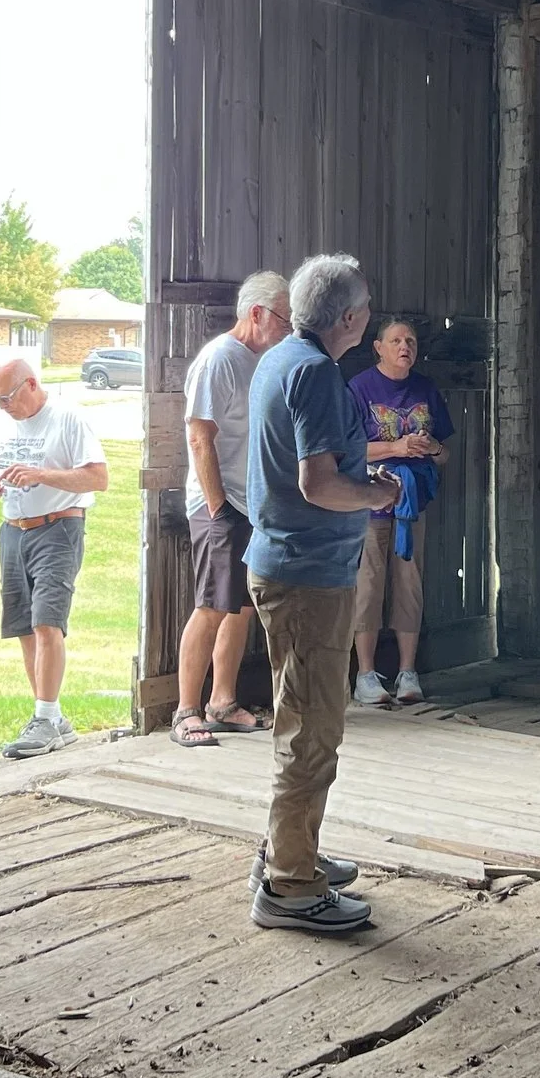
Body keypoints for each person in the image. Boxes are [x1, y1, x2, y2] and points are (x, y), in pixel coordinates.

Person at [245, 253, 405, 934]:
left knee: (299, 714)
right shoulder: (311, 372)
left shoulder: (284, 359)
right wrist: (377, 493)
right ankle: (291, 888)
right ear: (349, 318)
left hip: (293, 564)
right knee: (312, 728)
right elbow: (317, 483)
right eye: (366, 308)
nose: (369, 317)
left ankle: (291, 849)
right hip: (307, 573)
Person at [170, 270, 292, 749]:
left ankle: (222, 702)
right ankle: (185, 710)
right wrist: (219, 508)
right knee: (210, 607)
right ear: (257, 314)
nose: (289, 328)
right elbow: (200, 435)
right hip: (219, 505)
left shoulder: (262, 360)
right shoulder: (218, 359)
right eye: (285, 318)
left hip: (252, 503)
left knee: (239, 608)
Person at [0, 355, 109, 758]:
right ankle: (49, 716)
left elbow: (98, 477)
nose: (3, 407)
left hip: (58, 526)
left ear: (31, 384)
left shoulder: (68, 419)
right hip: (13, 529)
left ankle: (46, 718)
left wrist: (40, 475)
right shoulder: (0, 423)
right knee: (23, 626)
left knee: (47, 621)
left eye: (8, 397)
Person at [348, 315, 454, 708]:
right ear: (379, 347)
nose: (404, 346)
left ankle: (408, 672)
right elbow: (348, 450)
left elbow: (445, 454)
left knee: (410, 583)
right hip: (371, 503)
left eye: (409, 340)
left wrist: (430, 450)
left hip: (412, 507)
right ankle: (365, 675)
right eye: (395, 340)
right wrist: (396, 448)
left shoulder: (425, 388)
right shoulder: (359, 388)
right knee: (369, 585)